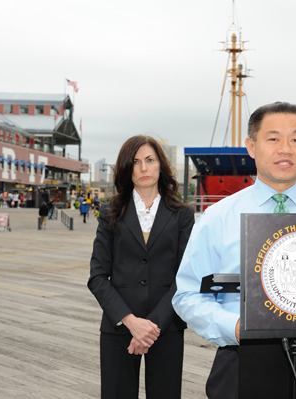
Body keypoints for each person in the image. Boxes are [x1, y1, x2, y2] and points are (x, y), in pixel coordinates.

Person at [172, 102, 296, 399]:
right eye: (273, 139)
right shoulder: (218, 218)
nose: (286, 149)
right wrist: (236, 327)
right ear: (251, 147)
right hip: (240, 363)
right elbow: (187, 295)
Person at [88, 135, 194, 398]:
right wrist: (131, 322)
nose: (144, 168)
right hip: (119, 325)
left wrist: (151, 326)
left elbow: (186, 276)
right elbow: (98, 276)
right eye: (136, 162)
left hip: (166, 325)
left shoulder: (182, 214)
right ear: (127, 168)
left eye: (150, 160)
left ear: (161, 165)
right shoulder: (111, 212)